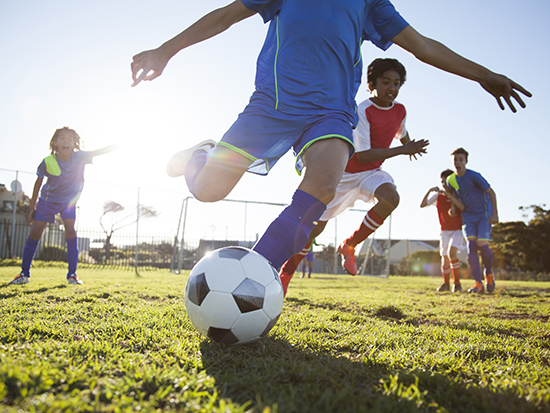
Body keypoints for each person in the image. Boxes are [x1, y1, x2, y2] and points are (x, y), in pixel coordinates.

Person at [130, 0, 530, 284]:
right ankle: (202, 154)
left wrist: (483, 74)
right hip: (271, 104)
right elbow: (225, 16)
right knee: (208, 191)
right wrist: (166, 50)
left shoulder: (372, 3)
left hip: (331, 112)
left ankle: (255, 276)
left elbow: (423, 46)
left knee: (321, 186)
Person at [278, 58, 428, 295]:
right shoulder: (363, 110)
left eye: (397, 83)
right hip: (345, 173)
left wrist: (410, 145)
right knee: (315, 230)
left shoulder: (400, 110)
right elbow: (365, 154)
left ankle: (350, 245)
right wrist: (403, 150)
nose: (392, 88)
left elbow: (402, 132)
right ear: (372, 85)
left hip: (370, 173)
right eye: (385, 82)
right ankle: (286, 273)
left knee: (391, 198)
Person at [8, 127, 116, 285]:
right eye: (62, 138)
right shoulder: (48, 161)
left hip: (68, 202)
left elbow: (99, 151)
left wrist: (116, 146)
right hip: (47, 201)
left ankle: (72, 275)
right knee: (36, 231)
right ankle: (24, 273)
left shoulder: (80, 157)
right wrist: (33, 207)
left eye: (70, 139)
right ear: (55, 143)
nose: (66, 141)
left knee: (71, 231)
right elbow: (37, 184)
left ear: (74, 144)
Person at [447, 148, 498, 293]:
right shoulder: (451, 179)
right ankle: (478, 283)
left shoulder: (475, 176)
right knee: (471, 247)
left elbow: (491, 192)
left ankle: (489, 273)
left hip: (483, 214)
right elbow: (454, 193)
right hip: (468, 216)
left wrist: (495, 214)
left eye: (460, 160)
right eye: (455, 160)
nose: (457, 163)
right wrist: (453, 207)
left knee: (482, 243)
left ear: (466, 162)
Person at [420, 169, 466, 293]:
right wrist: (429, 191)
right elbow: (423, 204)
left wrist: (451, 198)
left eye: (446, 182)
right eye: (442, 182)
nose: (444, 184)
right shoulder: (438, 196)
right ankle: (446, 283)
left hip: (457, 230)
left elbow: (462, 207)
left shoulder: (458, 195)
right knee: (444, 256)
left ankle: (457, 283)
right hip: (444, 231)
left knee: (452, 253)